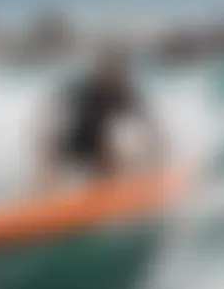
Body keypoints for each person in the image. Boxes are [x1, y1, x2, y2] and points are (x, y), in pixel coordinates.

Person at [35, 46, 163, 192]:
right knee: (54, 159)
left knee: (115, 151)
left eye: (119, 69)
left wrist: (156, 154)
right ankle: (41, 196)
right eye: (110, 68)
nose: (115, 74)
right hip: (73, 139)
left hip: (98, 145)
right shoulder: (84, 88)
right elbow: (54, 110)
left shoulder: (125, 92)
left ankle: (103, 193)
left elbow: (149, 125)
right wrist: (46, 144)